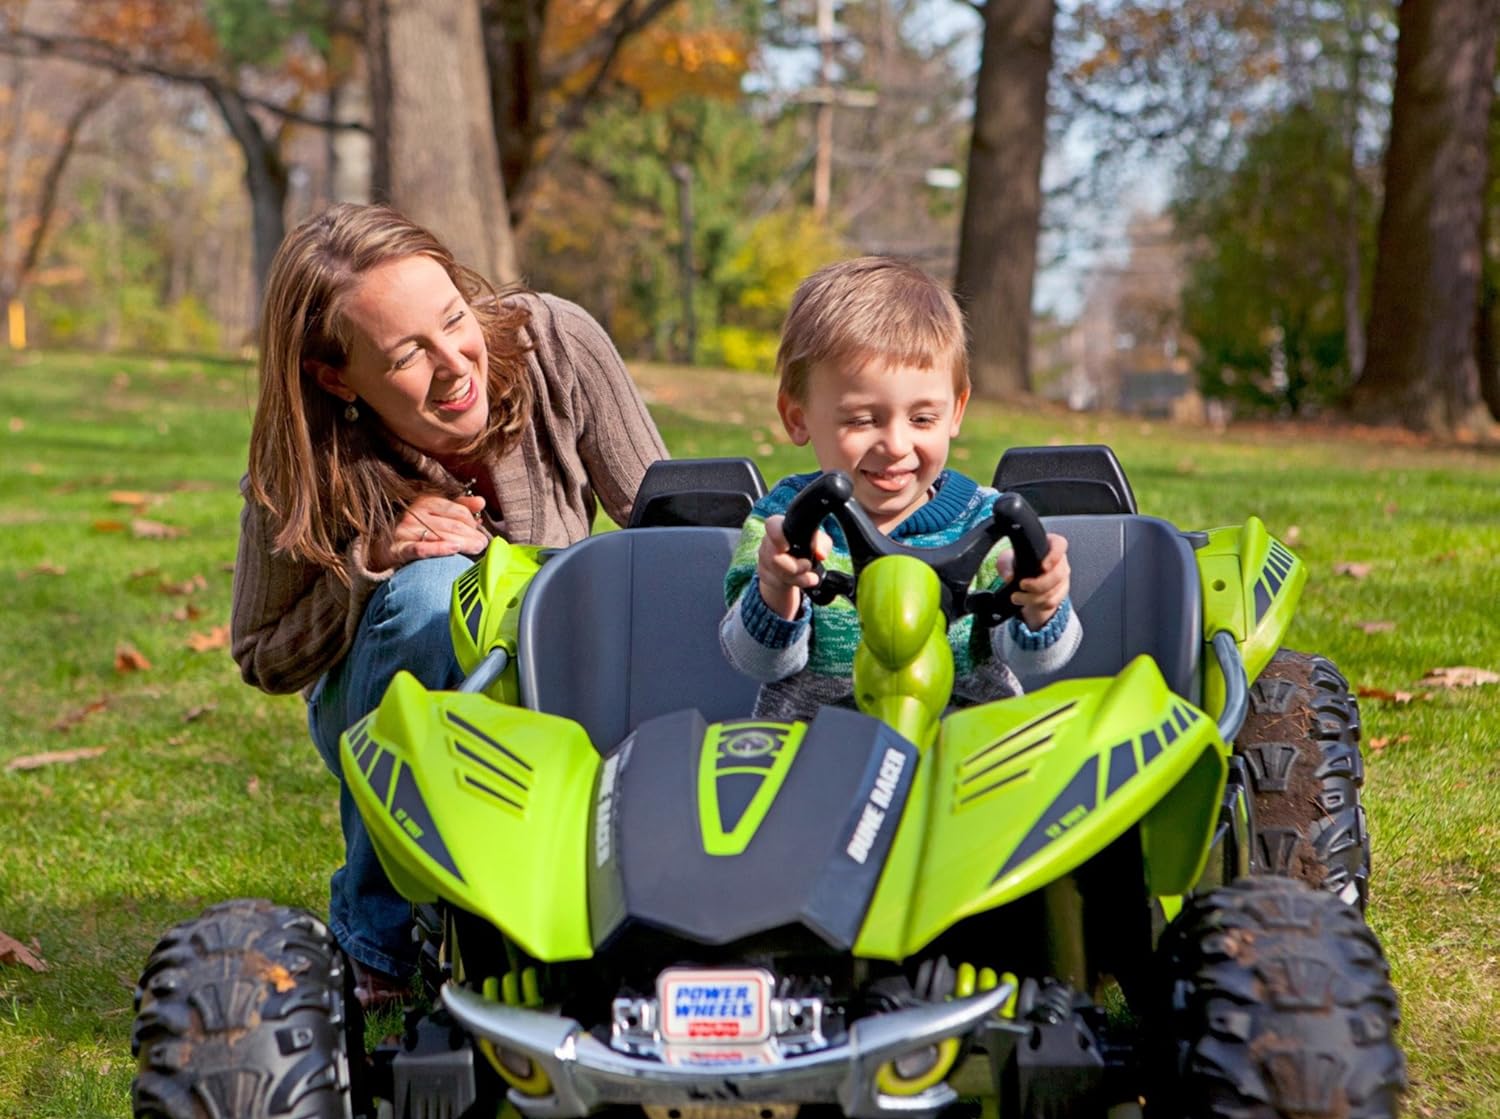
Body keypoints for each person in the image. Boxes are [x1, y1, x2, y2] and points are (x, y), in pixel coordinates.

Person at [230, 203, 667, 1006]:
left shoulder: (555, 343)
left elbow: (669, 524)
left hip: (558, 675)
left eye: (454, 318)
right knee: (433, 594)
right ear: (337, 378)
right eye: (406, 354)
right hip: (392, 700)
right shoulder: (303, 461)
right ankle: (379, 941)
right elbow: (261, 653)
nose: (453, 363)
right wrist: (370, 564)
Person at [719, 256, 1080, 721]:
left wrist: (1043, 603)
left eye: (922, 419)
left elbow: (1037, 660)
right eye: (861, 420)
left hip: (969, 750)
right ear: (797, 417)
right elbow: (756, 662)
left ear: (956, 411)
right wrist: (777, 587)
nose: (895, 445)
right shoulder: (786, 525)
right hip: (818, 749)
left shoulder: (988, 522)